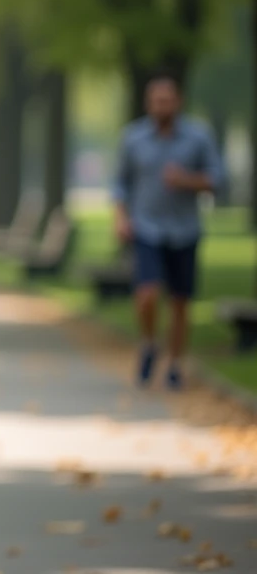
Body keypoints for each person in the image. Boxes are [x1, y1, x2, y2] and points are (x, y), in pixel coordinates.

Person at [114, 74, 222, 390]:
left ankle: (175, 364)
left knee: (180, 302)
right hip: (146, 228)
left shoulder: (198, 137)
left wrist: (186, 181)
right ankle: (149, 342)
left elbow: (216, 179)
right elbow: (120, 184)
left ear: (178, 101)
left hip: (185, 230)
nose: (162, 106)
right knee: (147, 294)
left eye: (167, 100)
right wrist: (121, 218)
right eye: (156, 101)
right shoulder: (133, 138)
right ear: (149, 103)